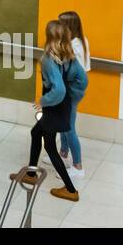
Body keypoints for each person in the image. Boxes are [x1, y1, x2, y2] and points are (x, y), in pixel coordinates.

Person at [25, 20, 88, 202]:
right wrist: (73, 96)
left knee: (50, 146)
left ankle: (70, 189)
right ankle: (30, 173)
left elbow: (58, 90)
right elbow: (82, 80)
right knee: (36, 133)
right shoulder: (69, 55)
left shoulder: (48, 59)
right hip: (62, 106)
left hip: (54, 107)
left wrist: (42, 101)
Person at [57, 10, 90, 178]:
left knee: (69, 127)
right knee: (64, 122)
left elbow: (66, 70)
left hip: (70, 90)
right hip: (74, 89)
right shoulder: (82, 41)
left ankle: (78, 167)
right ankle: (63, 154)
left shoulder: (73, 47)